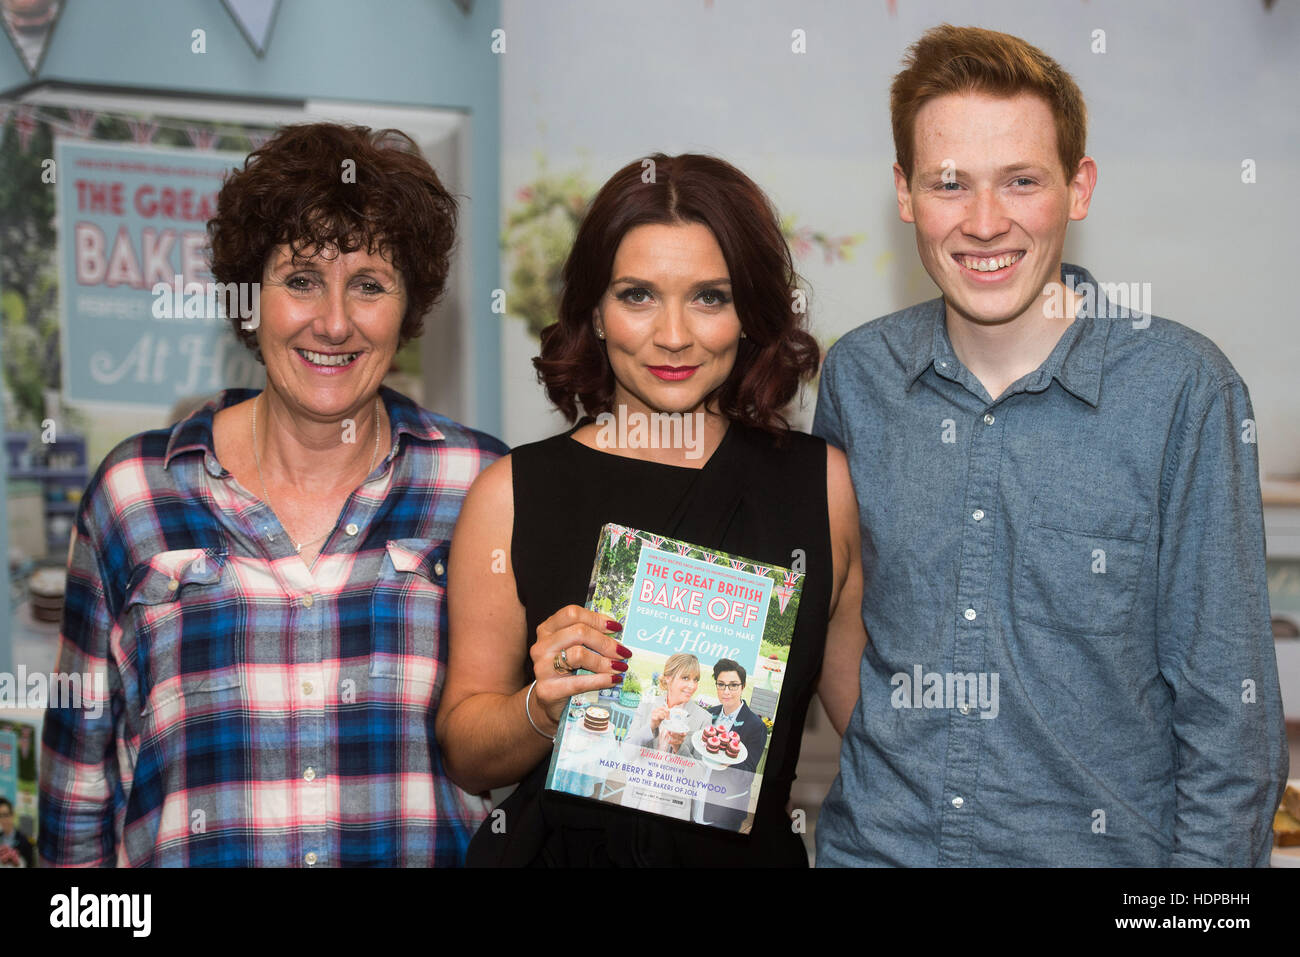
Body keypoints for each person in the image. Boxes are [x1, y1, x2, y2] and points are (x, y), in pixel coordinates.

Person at [814, 25, 1289, 867]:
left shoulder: (1184, 391)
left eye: (1022, 181)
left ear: (1079, 187)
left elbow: (1231, 723)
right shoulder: (860, 376)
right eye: (950, 182)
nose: (985, 222)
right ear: (904, 193)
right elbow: (844, 623)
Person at [38, 123, 508, 867]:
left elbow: (527, 754)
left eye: (369, 284)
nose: (333, 321)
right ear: (249, 296)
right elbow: (76, 796)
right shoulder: (134, 495)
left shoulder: (483, 486)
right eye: (299, 279)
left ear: (408, 305)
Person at [437, 153, 868, 867]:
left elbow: (873, 728)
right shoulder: (511, 491)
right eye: (637, 295)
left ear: (751, 314)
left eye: (709, 297)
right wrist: (541, 706)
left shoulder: (822, 486)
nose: (673, 334)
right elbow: (466, 753)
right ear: (595, 314)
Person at [625, 653, 710, 754]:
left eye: (695, 680)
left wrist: (678, 747)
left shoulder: (703, 719)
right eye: (685, 678)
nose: (692, 686)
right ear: (668, 678)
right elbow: (626, 753)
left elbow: (699, 769)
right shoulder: (647, 705)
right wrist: (651, 727)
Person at [0, 797, 35, 868]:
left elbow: (30, 864)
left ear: (12, 815)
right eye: (0, 816)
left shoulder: (25, 841)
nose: (3, 819)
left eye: (5, 815)